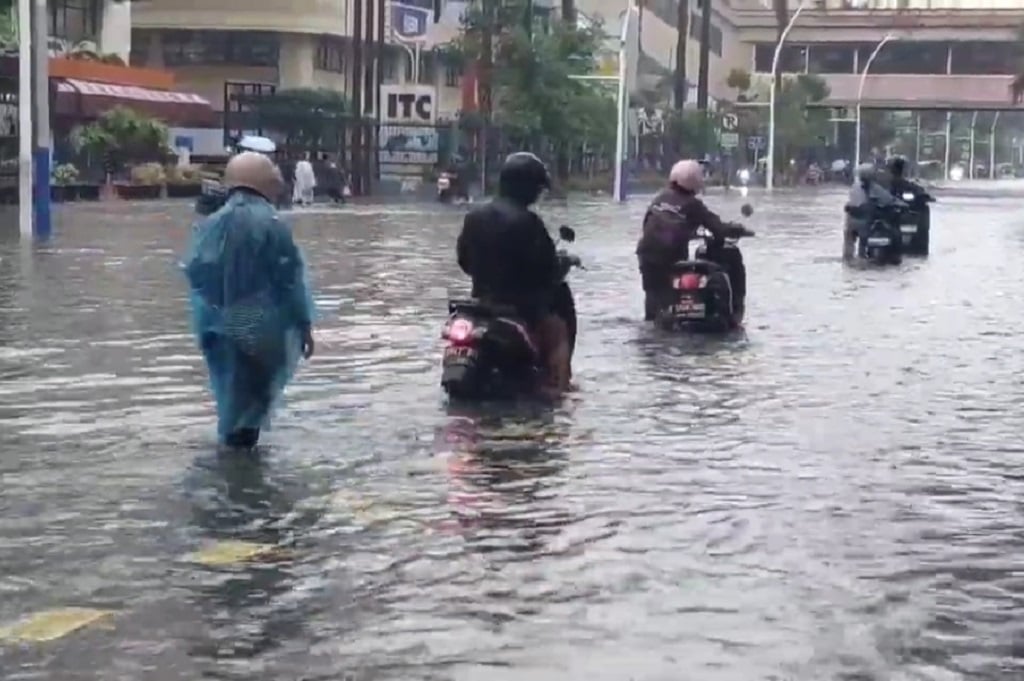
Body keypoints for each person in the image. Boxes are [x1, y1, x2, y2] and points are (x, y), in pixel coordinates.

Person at [183, 152, 316, 449]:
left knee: (231, 394)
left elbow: (196, 271)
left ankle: (231, 460)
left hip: (220, 322)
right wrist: (304, 325)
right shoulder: (272, 223)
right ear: (263, 181)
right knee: (255, 398)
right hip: (261, 323)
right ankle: (244, 467)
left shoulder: (213, 223)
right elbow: (290, 280)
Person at [456, 151, 571, 396]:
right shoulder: (529, 222)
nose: (538, 194)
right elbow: (547, 270)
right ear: (527, 187)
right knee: (559, 330)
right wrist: (562, 265)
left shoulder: (473, 216)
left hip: (481, 303)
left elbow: (464, 261)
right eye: (537, 188)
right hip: (520, 309)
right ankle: (558, 388)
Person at [636, 159, 748, 321]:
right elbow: (718, 227)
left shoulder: (660, 198)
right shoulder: (693, 205)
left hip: (647, 255)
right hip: (671, 257)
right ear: (695, 181)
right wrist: (737, 229)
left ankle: (653, 319)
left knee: (653, 295)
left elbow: (647, 224)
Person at [843, 162, 900, 260]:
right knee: (861, 240)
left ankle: (850, 259)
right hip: (864, 222)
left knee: (850, 241)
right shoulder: (874, 188)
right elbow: (888, 200)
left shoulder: (855, 187)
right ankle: (860, 257)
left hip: (853, 220)